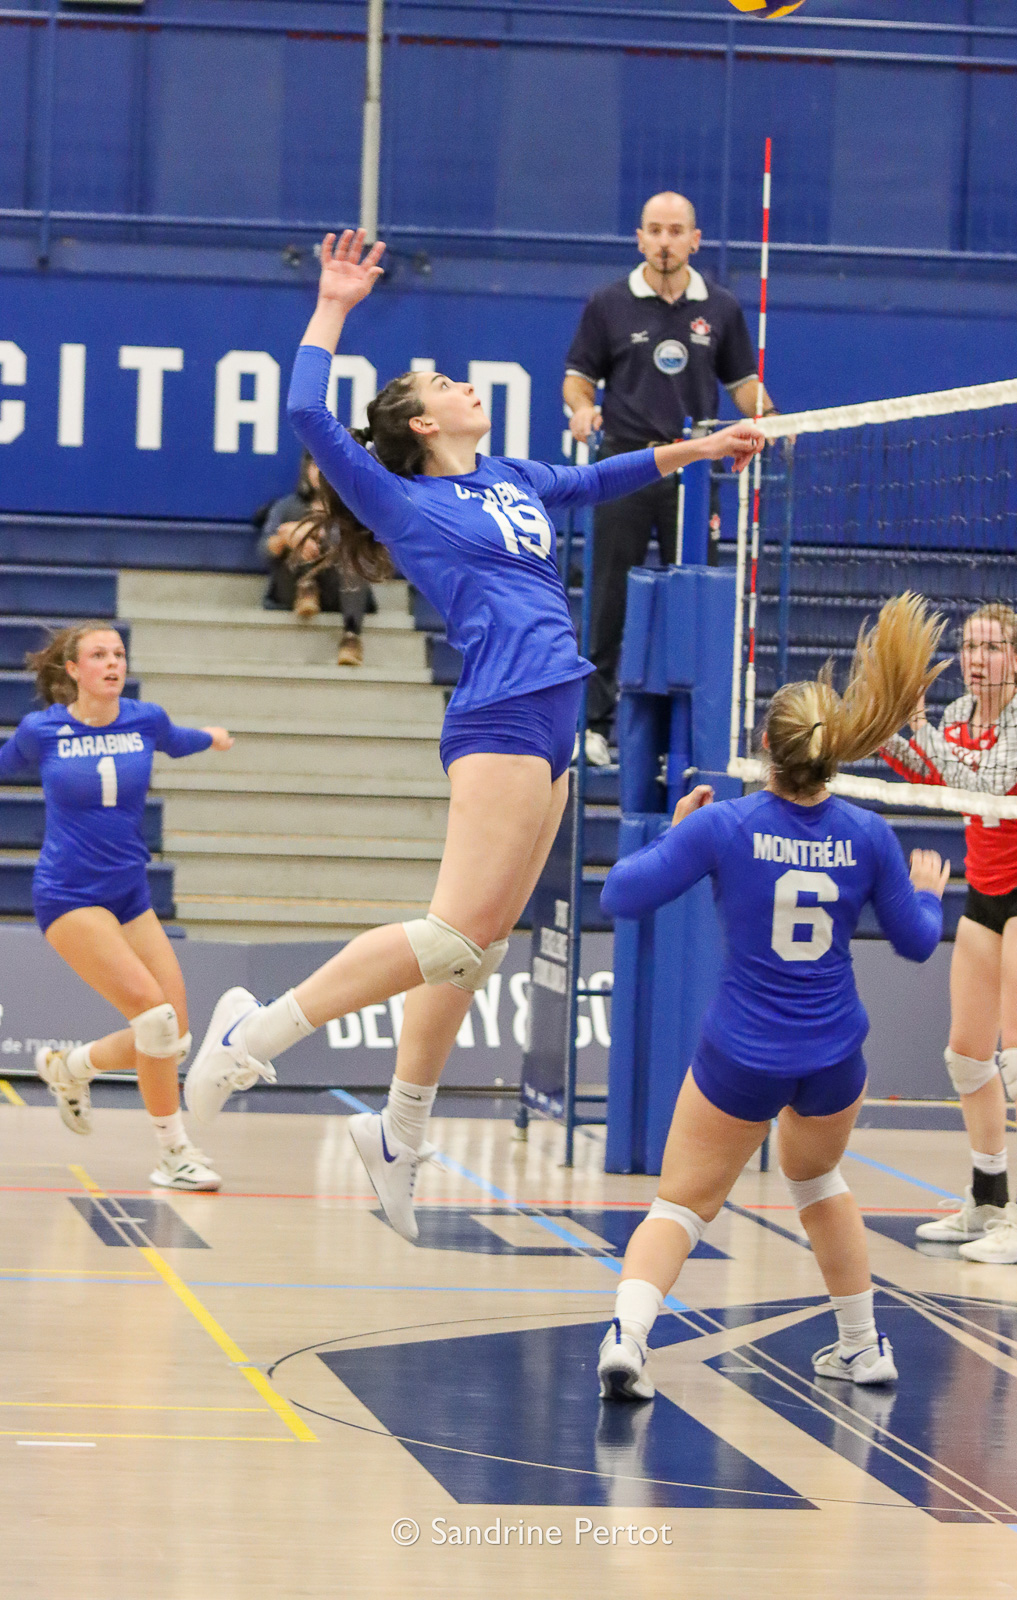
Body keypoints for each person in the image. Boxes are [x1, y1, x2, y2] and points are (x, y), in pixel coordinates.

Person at [184, 227, 765, 1241]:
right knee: (453, 934)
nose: (463, 385)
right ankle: (251, 1034)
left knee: (476, 952)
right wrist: (333, 305)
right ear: (420, 421)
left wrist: (700, 449)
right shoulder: (400, 497)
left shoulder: (510, 477)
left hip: (555, 708)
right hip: (500, 709)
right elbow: (308, 411)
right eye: (444, 383)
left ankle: (398, 1133)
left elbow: (601, 479)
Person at [595, 594, 949, 1401]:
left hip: (742, 1053)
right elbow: (917, 941)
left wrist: (672, 831)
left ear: (766, 749)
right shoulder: (869, 834)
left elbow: (620, 895)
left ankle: (628, 1340)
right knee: (818, 1184)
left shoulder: (724, 825)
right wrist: (929, 893)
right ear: (833, 754)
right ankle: (862, 1347)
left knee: (681, 1205)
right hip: (832, 1057)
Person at [0, 623, 234, 1190]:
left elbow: (177, 739)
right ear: (73, 670)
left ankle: (69, 1067)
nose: (113, 663)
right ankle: (173, 1153)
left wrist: (211, 737)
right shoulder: (42, 730)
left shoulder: (144, 719)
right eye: (99, 655)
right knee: (154, 1020)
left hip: (130, 893)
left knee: (174, 1036)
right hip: (68, 894)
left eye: (119, 654)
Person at [563, 190, 783, 765]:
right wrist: (582, 409)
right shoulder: (608, 303)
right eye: (655, 230)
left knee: (693, 597)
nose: (665, 241)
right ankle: (594, 727)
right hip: (625, 469)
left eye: (675, 230)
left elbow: (743, 386)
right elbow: (578, 378)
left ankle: (686, 738)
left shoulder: (722, 308)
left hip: (693, 473)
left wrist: (770, 415)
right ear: (640, 239)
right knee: (608, 600)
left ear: (695, 240)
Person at [882, 602, 1017, 1264]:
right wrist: (884, 728)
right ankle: (987, 1200)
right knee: (966, 1055)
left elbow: (981, 784)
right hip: (986, 888)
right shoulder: (959, 714)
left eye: (991, 649)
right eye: (969, 647)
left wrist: (918, 727)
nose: (977, 660)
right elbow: (932, 775)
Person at [259, 450, 377, 666]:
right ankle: (307, 588)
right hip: (292, 586)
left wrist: (328, 535)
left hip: (340, 590)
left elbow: (372, 555)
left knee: (352, 552)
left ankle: (351, 637)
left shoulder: (353, 509)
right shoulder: (287, 506)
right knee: (300, 529)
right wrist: (288, 537)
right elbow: (265, 549)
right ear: (306, 470)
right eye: (315, 466)